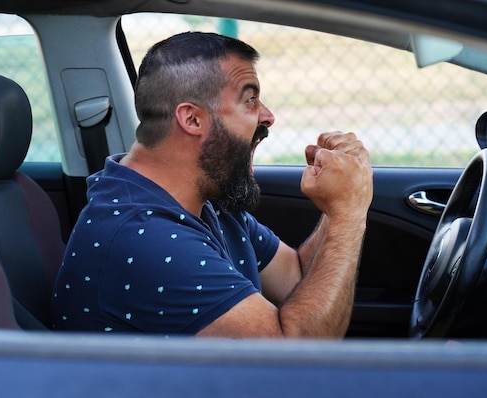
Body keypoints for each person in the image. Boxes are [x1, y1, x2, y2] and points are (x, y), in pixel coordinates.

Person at [51, 31, 373, 338]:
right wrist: (348, 213)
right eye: (250, 99)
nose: (268, 116)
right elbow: (293, 358)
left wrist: (342, 199)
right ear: (192, 119)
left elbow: (299, 279)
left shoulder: (205, 199)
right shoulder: (145, 237)